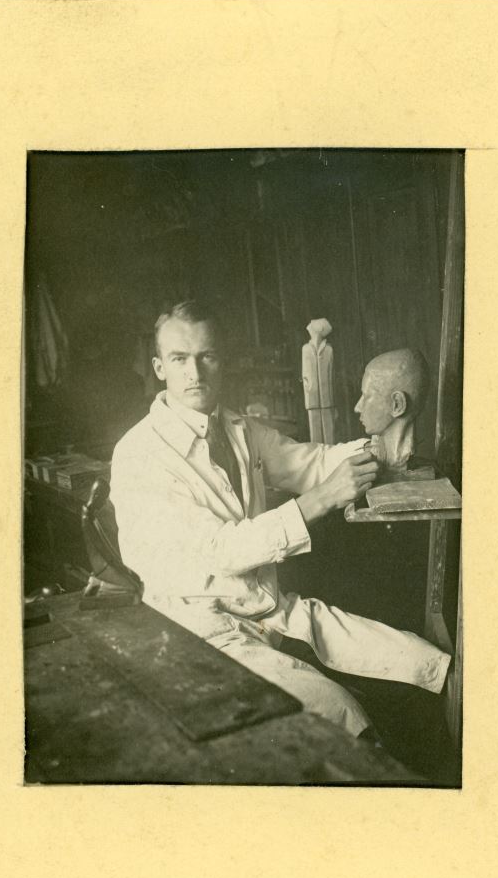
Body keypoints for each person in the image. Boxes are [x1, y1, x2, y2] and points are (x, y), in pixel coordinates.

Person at [110, 301, 450, 740]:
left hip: (267, 609)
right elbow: (220, 551)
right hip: (200, 632)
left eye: (207, 356)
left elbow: (309, 462)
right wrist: (319, 500)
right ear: (159, 367)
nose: (195, 372)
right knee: (342, 716)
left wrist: (383, 451)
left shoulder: (237, 428)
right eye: (179, 359)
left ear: (222, 361)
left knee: (426, 660)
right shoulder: (140, 453)